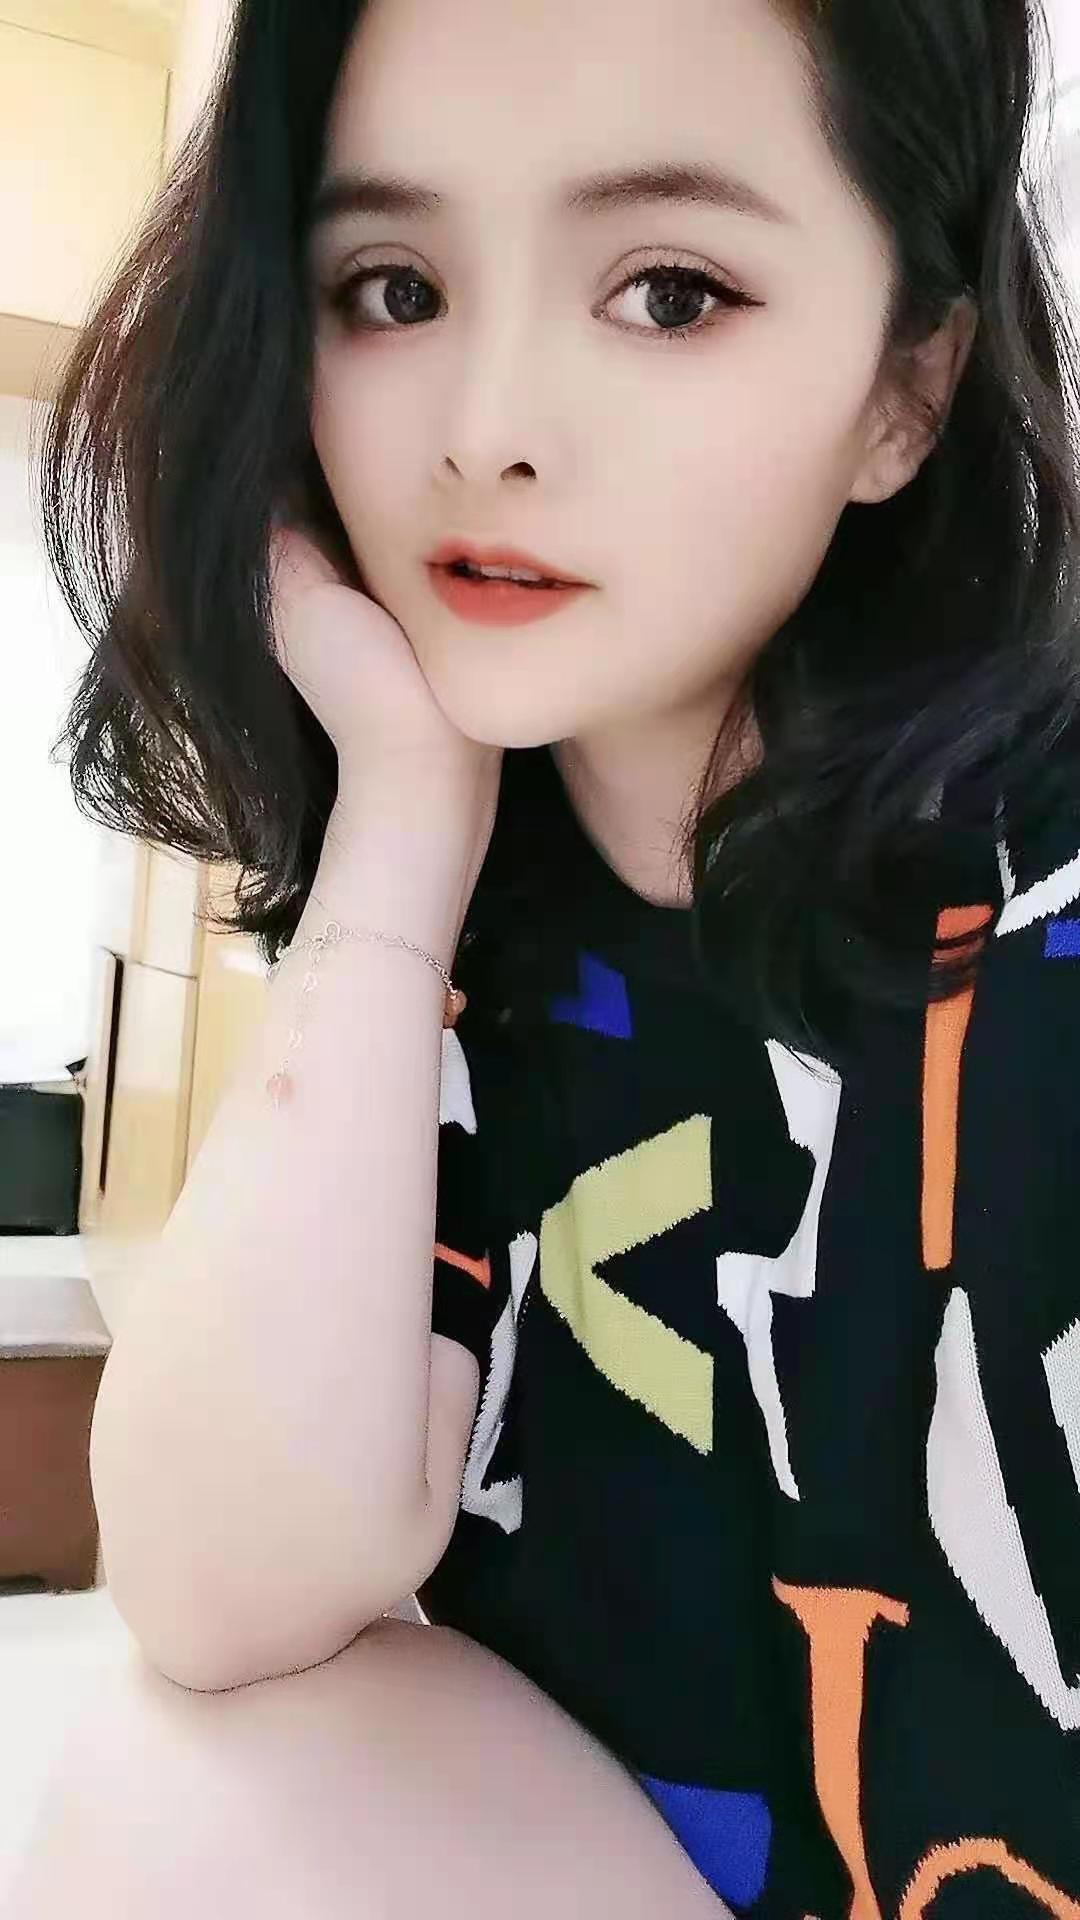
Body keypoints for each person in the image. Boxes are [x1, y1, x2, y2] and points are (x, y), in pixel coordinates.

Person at [15, 0, 1080, 1913]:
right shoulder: (481, 929)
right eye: (394, 289)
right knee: (176, 1778)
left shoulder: (1041, 907)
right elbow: (214, 1592)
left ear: (907, 388)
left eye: (670, 293)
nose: (485, 430)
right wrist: (400, 826)